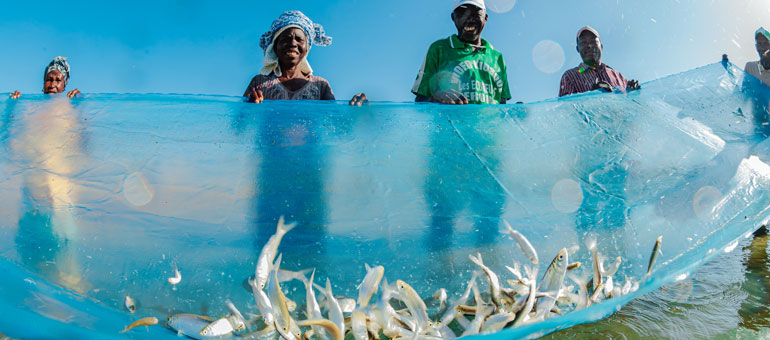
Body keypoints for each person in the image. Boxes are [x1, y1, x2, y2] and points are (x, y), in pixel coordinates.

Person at [243, 11, 367, 106]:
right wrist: (248, 108)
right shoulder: (259, 83)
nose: (292, 43)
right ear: (275, 47)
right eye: (285, 39)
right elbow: (238, 126)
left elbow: (335, 125)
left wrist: (355, 112)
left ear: (307, 48)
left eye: (299, 39)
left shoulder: (320, 85)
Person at [411, 0, 511, 105]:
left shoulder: (497, 57)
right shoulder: (439, 49)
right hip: (449, 121)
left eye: (476, 14)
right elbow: (420, 102)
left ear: (485, 17)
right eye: (462, 14)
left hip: (489, 122)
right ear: (453, 17)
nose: (469, 19)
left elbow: (501, 106)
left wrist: (516, 114)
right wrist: (435, 98)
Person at [559, 26, 640, 97]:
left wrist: (633, 92)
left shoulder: (618, 76)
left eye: (593, 41)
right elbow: (565, 111)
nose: (589, 45)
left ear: (601, 47)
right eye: (583, 42)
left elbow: (628, 104)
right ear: (578, 49)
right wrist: (593, 96)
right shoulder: (569, 77)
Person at [9, 56, 81, 99]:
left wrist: (79, 102)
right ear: (44, 81)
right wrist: (14, 104)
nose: (52, 85)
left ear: (64, 85)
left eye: (58, 80)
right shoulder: (32, 107)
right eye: (49, 79)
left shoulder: (70, 108)